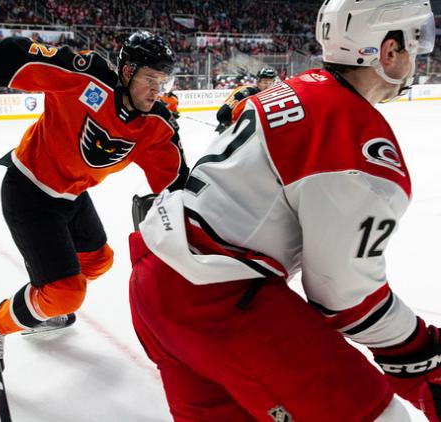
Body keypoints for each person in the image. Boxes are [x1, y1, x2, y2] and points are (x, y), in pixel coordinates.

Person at [129, 0, 440, 421]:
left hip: (154, 283)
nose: (419, 53)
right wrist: (420, 349)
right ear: (387, 50)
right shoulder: (355, 136)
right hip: (217, 300)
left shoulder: (291, 89)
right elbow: (344, 297)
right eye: (414, 41)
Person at [0, 31, 189, 380]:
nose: (157, 90)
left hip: (73, 196)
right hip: (29, 190)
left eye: (163, 81)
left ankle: (41, 299)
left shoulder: (155, 126)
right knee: (66, 294)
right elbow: (22, 56)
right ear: (127, 72)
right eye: (150, 79)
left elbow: (176, 186)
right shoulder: (87, 79)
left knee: (99, 261)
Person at [214, 66, 277, 133]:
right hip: (238, 132)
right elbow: (223, 111)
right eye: (265, 82)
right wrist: (225, 122)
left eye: (270, 83)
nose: (268, 86)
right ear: (258, 82)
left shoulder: (274, 96)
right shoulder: (246, 92)